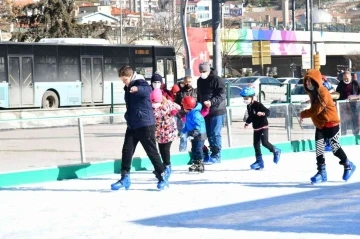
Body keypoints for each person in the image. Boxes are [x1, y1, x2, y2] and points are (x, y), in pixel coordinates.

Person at [111, 66, 169, 191]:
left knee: (151, 151)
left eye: (125, 79)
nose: (124, 82)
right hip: (132, 124)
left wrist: (137, 89)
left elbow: (147, 90)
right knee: (127, 151)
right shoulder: (127, 86)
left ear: (131, 76)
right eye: (122, 80)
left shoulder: (140, 82)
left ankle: (162, 177)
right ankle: (125, 178)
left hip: (145, 124)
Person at [300, 69, 356, 184]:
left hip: (331, 123)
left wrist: (303, 114)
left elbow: (316, 109)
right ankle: (322, 172)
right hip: (320, 125)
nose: (308, 84)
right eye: (307, 82)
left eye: (310, 81)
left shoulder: (323, 91)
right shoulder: (312, 93)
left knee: (335, 148)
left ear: (316, 81)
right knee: (319, 149)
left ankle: (348, 165)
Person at [240, 86, 281, 170]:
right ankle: (259, 161)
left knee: (265, 142)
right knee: (256, 145)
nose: (245, 100)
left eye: (247, 98)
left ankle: (276, 150)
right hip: (256, 128)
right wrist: (247, 122)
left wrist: (262, 113)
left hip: (263, 126)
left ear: (252, 97)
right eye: (244, 98)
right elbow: (251, 116)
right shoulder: (249, 106)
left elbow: (268, 112)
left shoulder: (258, 104)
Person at [197, 63, 226, 164]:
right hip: (205, 111)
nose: (202, 74)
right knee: (207, 133)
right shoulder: (200, 81)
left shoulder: (217, 80)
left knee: (215, 133)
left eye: (204, 71)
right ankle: (208, 153)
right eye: (200, 72)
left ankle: (216, 154)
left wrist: (211, 102)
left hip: (217, 110)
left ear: (209, 71)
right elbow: (199, 95)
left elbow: (221, 95)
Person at [150, 88, 181, 179]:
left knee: (165, 149)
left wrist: (174, 111)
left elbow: (179, 107)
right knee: (161, 149)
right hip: (159, 133)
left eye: (156, 101)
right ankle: (165, 164)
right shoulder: (150, 107)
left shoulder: (168, 103)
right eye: (153, 101)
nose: (155, 104)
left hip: (169, 132)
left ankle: (167, 165)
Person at [181, 96, 207, 173]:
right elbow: (187, 124)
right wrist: (183, 131)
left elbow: (198, 126)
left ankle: (200, 164)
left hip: (200, 134)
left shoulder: (195, 114)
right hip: (193, 134)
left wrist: (193, 134)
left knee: (198, 149)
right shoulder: (189, 113)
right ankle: (195, 162)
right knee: (194, 149)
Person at [335, 71, 360, 136]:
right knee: (343, 124)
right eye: (344, 78)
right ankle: (343, 137)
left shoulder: (355, 84)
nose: (345, 80)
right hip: (343, 108)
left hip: (354, 108)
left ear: (351, 77)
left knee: (355, 124)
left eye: (347, 78)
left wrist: (354, 97)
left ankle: (356, 136)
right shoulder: (340, 84)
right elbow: (337, 94)